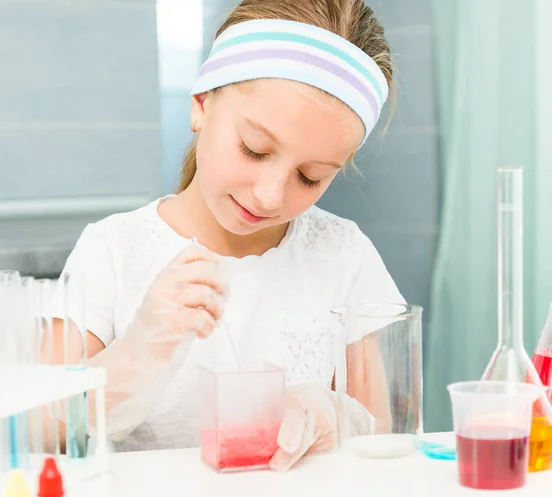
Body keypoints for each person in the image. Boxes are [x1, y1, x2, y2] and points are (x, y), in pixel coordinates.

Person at [47, 0, 403, 472]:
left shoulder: (343, 255)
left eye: (311, 177)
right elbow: (38, 428)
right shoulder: (112, 251)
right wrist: (138, 352)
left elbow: (383, 440)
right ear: (201, 103)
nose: (270, 196)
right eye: (254, 150)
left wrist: (334, 416)